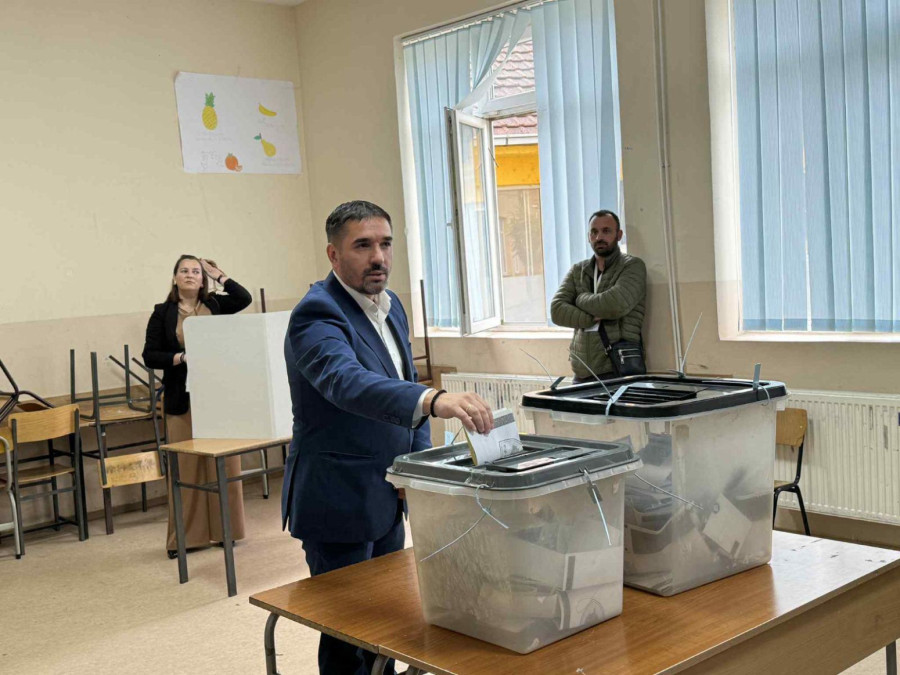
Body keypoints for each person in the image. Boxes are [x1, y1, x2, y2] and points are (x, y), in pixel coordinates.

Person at [282, 200, 493, 675]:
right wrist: (433, 399)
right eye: (362, 246)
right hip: (336, 497)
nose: (378, 256)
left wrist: (414, 470)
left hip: (387, 491)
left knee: (386, 624)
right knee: (347, 633)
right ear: (334, 255)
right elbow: (346, 382)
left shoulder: (391, 305)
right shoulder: (316, 314)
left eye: (385, 243)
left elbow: (402, 383)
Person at [142, 255, 252, 557]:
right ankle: (186, 539)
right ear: (175, 277)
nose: (190, 275)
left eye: (196, 271)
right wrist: (180, 358)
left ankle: (226, 532)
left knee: (225, 466)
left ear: (203, 279)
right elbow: (150, 355)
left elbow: (244, 298)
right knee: (186, 467)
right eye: (184, 271)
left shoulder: (215, 305)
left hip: (217, 396)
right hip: (181, 397)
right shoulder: (162, 313)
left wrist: (220, 275)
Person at [550, 210, 646, 383]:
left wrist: (579, 299)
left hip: (618, 369)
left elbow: (614, 305)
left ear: (619, 235)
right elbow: (557, 310)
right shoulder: (578, 270)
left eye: (606, 231)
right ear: (588, 237)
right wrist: (589, 318)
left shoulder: (632, 266)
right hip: (582, 372)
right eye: (594, 232)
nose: (599, 237)